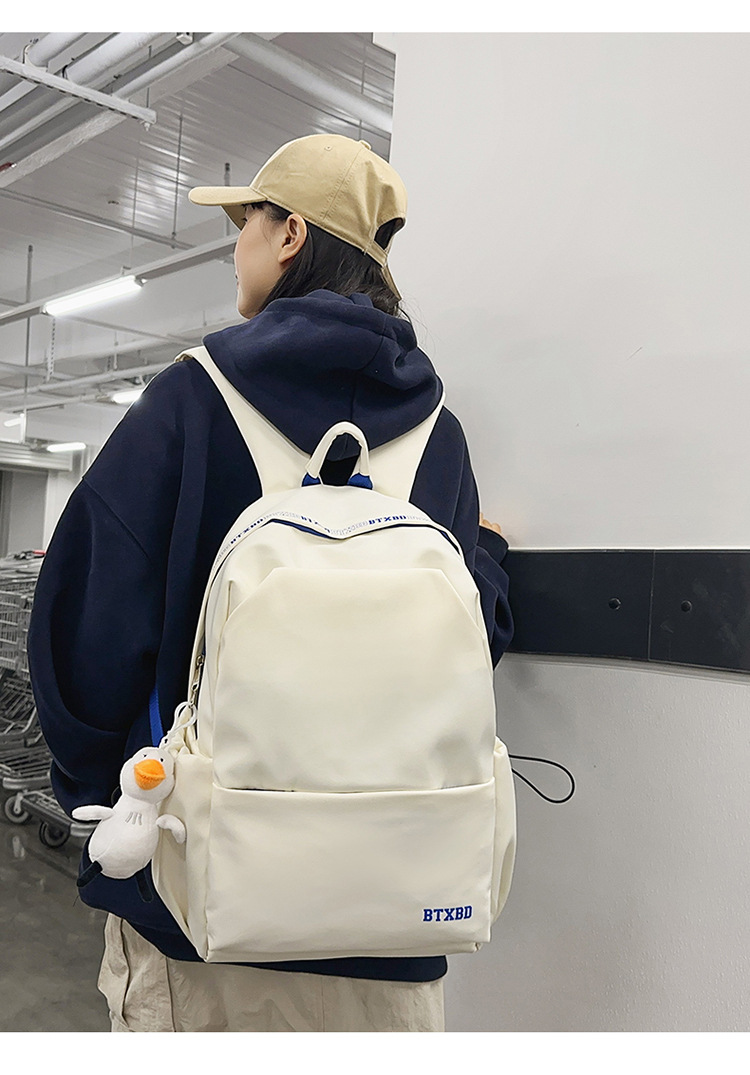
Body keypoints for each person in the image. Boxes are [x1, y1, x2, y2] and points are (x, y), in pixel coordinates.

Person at [27, 134, 514, 1033]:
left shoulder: (191, 401)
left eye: (246, 222)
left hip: (196, 914)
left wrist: (112, 799)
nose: (236, 245)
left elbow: (87, 632)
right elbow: (466, 644)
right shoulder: (439, 435)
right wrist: (487, 561)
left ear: (290, 234)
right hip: (397, 919)